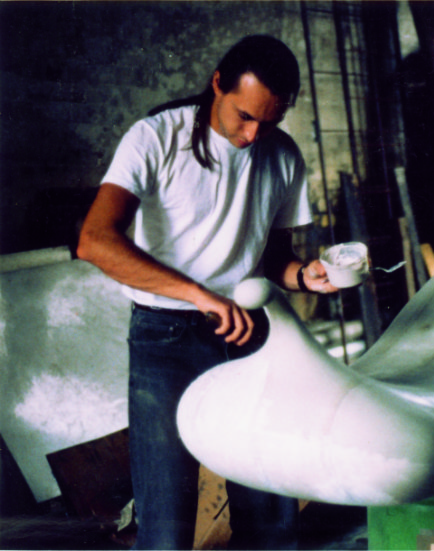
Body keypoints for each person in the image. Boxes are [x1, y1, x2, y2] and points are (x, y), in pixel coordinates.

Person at [77, 35, 338, 550]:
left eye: (270, 122)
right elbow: (94, 241)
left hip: (249, 333)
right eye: (245, 116)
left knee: (269, 514)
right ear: (218, 84)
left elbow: (273, 259)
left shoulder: (283, 156)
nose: (253, 134)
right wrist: (199, 294)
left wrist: (305, 275)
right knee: (166, 526)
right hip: (164, 338)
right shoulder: (155, 137)